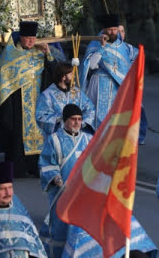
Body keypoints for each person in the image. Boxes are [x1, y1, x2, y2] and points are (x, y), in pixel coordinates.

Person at [0, 21, 56, 178]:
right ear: (20, 38)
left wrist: (48, 54)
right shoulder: (10, 55)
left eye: (33, 38)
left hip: (37, 102)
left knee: (39, 134)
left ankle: (36, 167)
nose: (30, 41)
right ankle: (19, 168)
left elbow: (54, 73)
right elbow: (2, 78)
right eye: (27, 38)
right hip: (16, 104)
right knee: (16, 136)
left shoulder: (39, 54)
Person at [38, 104, 93, 257]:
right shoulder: (54, 140)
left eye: (80, 119)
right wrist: (55, 177)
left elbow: (97, 163)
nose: (77, 123)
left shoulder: (89, 140)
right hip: (62, 195)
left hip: (83, 196)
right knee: (60, 230)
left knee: (80, 233)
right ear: (64, 120)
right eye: (73, 119)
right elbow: (47, 163)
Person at [79, 14, 139, 128]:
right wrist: (102, 47)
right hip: (99, 84)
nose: (113, 32)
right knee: (99, 118)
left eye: (115, 29)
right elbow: (91, 65)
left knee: (116, 119)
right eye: (110, 30)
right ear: (104, 30)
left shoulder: (123, 47)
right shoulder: (95, 43)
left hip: (118, 86)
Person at [36, 63, 95, 137]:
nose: (74, 77)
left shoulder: (77, 93)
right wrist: (61, 118)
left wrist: (82, 122)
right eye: (71, 74)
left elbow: (90, 109)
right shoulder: (47, 95)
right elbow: (40, 116)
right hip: (58, 137)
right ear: (63, 77)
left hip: (77, 135)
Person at [125, 0, 159, 73]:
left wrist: (155, 11)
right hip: (135, 16)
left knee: (151, 39)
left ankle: (152, 62)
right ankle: (132, 63)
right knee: (133, 41)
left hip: (148, 15)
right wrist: (128, 13)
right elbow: (125, 0)